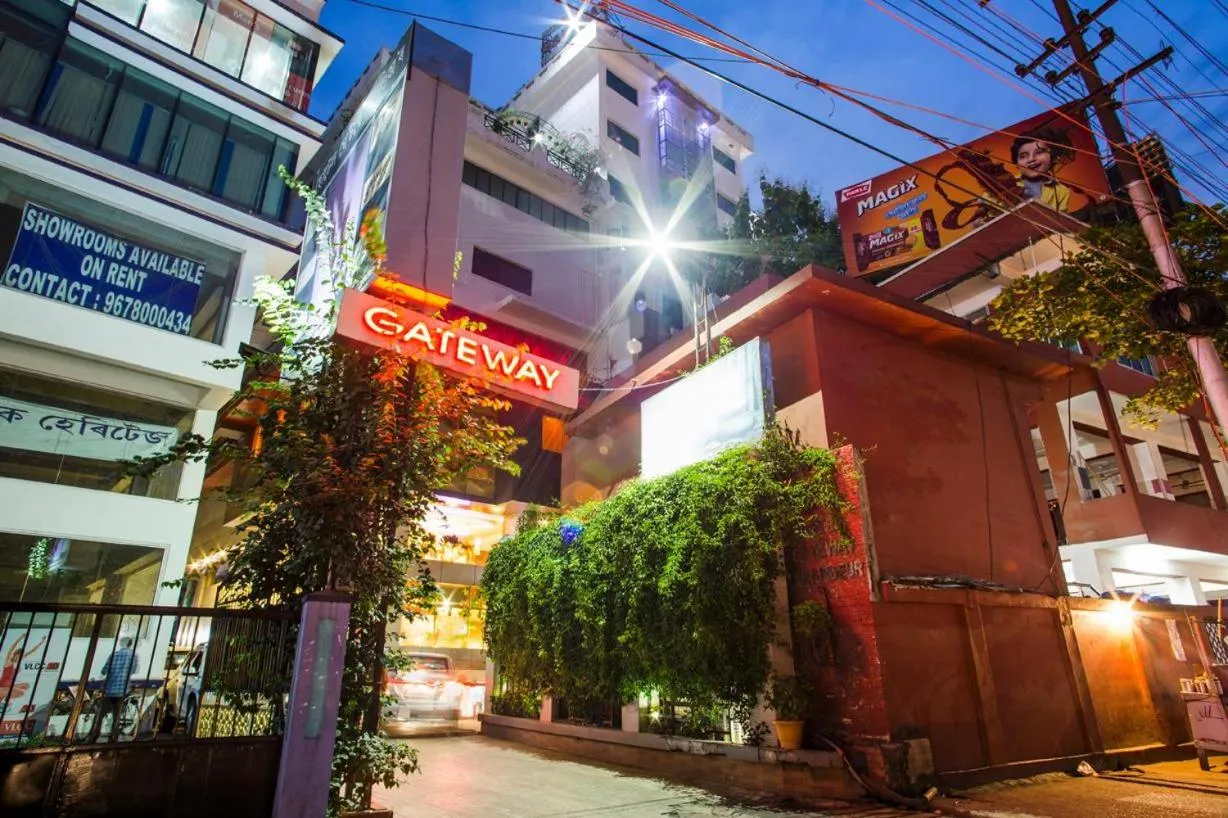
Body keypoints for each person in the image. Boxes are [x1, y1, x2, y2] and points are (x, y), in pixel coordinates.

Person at [1009, 127, 1076, 212]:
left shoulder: (1062, 191)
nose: (1031, 159)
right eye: (1023, 156)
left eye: (1039, 152)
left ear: (1053, 157)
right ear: (1017, 164)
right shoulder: (1005, 185)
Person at [85, 637, 135, 743]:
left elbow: (104, 670)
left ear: (121, 644)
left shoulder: (114, 654)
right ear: (130, 644)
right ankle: (113, 738)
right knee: (117, 715)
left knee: (100, 713)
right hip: (123, 689)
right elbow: (134, 669)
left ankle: (93, 736)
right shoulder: (132, 656)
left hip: (109, 689)